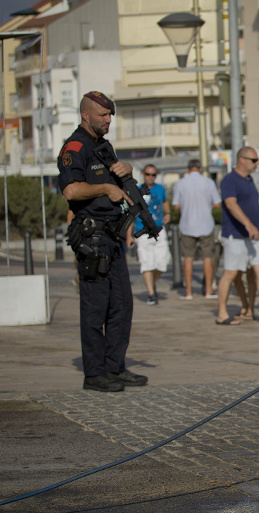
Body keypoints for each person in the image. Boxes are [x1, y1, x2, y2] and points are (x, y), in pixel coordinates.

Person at [58, 91, 147, 392]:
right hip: (92, 238)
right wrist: (104, 189)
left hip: (113, 235)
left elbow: (118, 181)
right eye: (103, 115)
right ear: (86, 115)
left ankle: (115, 367)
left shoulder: (103, 145)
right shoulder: (75, 147)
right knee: (95, 308)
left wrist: (128, 171)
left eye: (110, 115)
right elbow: (71, 191)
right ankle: (94, 374)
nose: (108, 120)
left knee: (121, 305)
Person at [215, 147, 259, 326]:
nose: (257, 163)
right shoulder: (229, 180)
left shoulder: (250, 180)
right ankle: (222, 313)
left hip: (254, 236)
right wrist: (247, 224)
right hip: (235, 235)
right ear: (242, 160)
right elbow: (230, 204)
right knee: (230, 273)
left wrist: (257, 226)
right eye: (254, 160)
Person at [171, 159, 221, 300]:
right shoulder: (208, 182)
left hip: (187, 224)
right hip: (206, 224)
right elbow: (217, 204)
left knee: (188, 259)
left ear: (188, 169)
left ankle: (188, 292)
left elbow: (175, 206)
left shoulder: (180, 184)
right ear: (200, 169)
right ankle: (209, 290)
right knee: (207, 258)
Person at [131, 163, 170, 305]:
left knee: (162, 262)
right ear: (143, 175)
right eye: (148, 174)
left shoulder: (160, 189)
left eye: (153, 174)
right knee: (147, 263)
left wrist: (168, 213)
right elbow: (132, 213)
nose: (150, 177)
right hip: (142, 230)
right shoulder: (138, 190)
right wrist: (129, 234)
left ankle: (151, 283)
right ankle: (151, 293)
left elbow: (165, 202)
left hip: (159, 228)